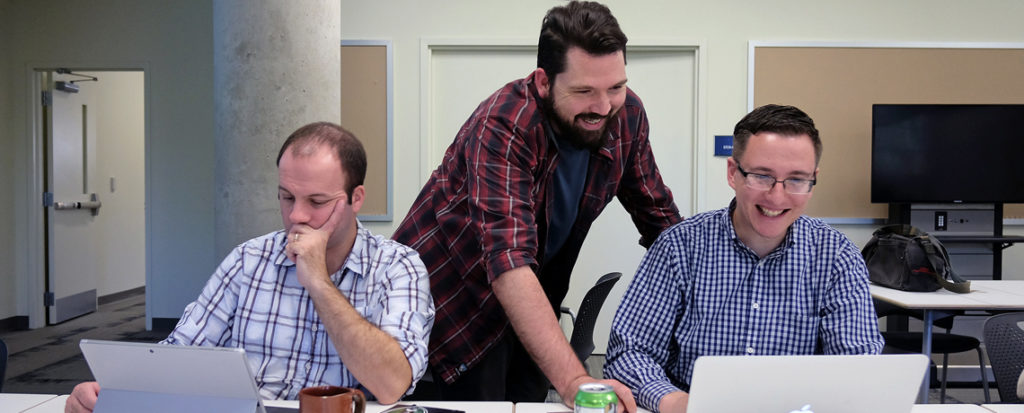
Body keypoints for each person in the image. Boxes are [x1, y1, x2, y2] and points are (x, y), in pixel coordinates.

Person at [392, 1, 679, 410]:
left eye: (615, 87)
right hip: (452, 310)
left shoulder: (626, 113)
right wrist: (579, 381)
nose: (603, 106)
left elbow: (660, 218)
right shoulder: (504, 123)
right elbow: (508, 260)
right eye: (584, 91)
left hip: (533, 306)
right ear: (544, 82)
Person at [66, 122, 435, 413]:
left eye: (317, 201)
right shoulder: (249, 260)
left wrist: (320, 284)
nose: (297, 216)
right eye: (286, 197)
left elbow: (391, 385)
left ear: (356, 199)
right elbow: (178, 356)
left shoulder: (398, 267)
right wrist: (109, 393)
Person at [603, 104, 885, 413]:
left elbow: (857, 367)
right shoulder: (679, 247)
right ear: (733, 173)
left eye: (796, 179)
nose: (777, 197)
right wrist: (678, 403)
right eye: (762, 176)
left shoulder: (836, 257)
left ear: (813, 180)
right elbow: (629, 352)